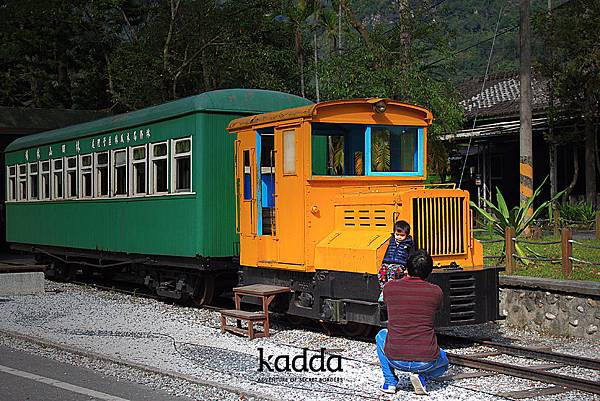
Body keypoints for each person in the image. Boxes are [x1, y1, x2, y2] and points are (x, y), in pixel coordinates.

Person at [375, 249, 448, 395]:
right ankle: (421, 376)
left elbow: (384, 303)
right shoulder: (436, 291)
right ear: (429, 271)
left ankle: (390, 382)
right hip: (426, 360)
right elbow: (437, 310)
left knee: (381, 335)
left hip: (395, 357)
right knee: (444, 363)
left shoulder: (390, 287)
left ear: (407, 268)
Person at [377, 220, 414, 302]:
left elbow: (410, 256)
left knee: (393, 272)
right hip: (387, 262)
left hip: (399, 264)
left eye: (402, 235)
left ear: (407, 235)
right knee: (381, 271)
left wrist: (408, 268)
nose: (399, 237)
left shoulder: (408, 244)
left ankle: (390, 290)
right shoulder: (391, 241)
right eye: (397, 234)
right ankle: (384, 290)